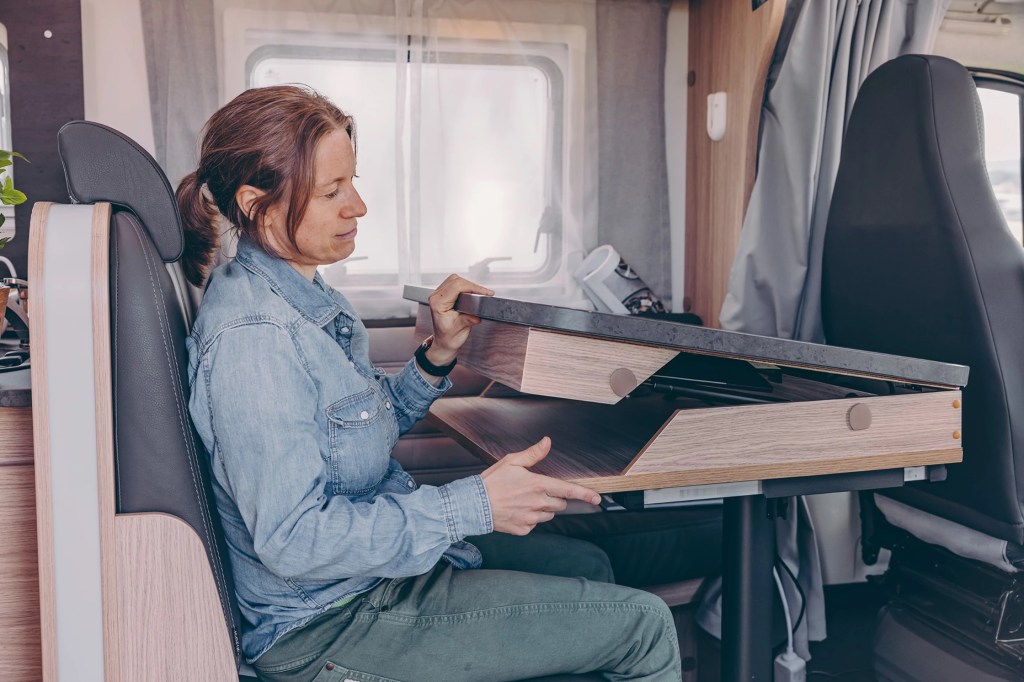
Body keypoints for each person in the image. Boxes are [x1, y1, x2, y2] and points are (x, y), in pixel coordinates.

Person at [179, 84, 681, 682]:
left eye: (353, 181)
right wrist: (473, 504)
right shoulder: (255, 339)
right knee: (645, 626)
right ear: (256, 204)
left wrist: (437, 356)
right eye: (332, 190)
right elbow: (294, 540)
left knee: (589, 564)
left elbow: (355, 433)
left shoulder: (304, 297)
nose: (358, 206)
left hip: (370, 578)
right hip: (328, 623)